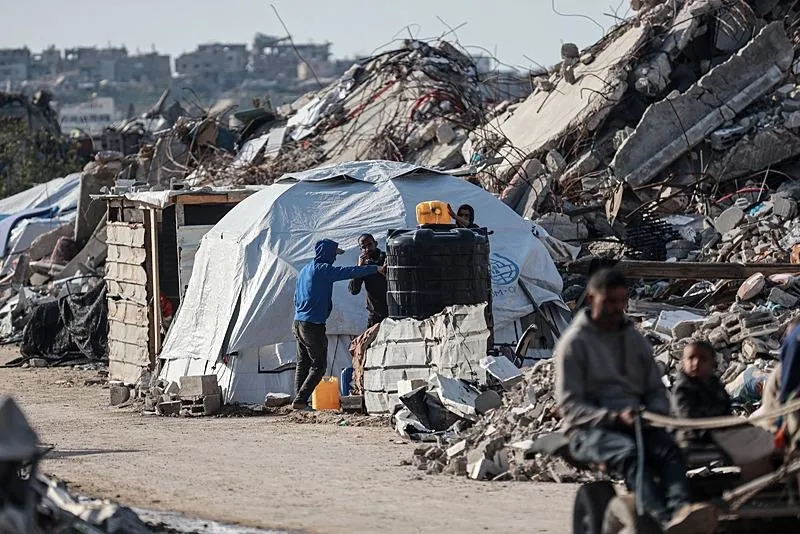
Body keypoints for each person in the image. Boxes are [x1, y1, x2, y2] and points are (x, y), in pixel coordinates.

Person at [555, 268, 716, 532]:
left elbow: (654, 389)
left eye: (620, 301)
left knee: (670, 451)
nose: (616, 308)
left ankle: (680, 511)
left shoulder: (634, 340)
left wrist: (653, 412)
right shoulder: (574, 345)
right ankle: (659, 518)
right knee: (633, 454)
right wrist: (615, 417)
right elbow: (571, 408)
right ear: (592, 298)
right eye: (609, 301)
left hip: (639, 422)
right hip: (591, 429)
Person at [293, 239, 385, 411]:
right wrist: (376, 268)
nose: (335, 259)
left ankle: (299, 401)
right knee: (319, 365)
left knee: (303, 363)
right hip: (313, 324)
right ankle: (300, 399)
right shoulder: (323, 270)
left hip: (298, 321)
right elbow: (346, 272)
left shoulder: (305, 269)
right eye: (334, 255)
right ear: (328, 254)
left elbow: (296, 296)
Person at [671, 340, 732, 446]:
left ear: (713, 362)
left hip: (719, 433)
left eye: (703, 359)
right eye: (691, 358)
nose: (696, 363)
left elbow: (726, 412)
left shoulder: (715, 385)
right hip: (691, 436)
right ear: (683, 362)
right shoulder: (683, 388)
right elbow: (688, 420)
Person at [348, 234, 388, 328]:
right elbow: (353, 290)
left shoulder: (387, 258)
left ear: (376, 243)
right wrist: (359, 268)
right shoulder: (363, 265)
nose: (367, 249)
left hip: (393, 311)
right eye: (363, 247)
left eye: (369, 245)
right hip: (375, 314)